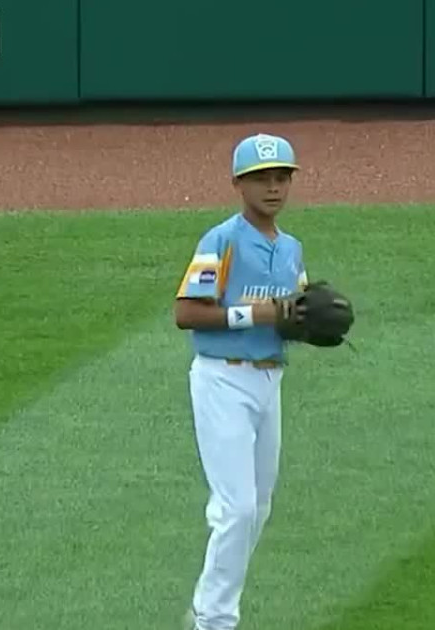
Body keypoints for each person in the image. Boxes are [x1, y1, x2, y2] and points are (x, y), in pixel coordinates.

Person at [174, 133, 309, 630]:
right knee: (236, 507)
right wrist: (254, 314)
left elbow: (294, 312)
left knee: (259, 507)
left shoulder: (291, 248)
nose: (273, 188)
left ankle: (207, 602)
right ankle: (215, 620)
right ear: (238, 184)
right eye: (261, 179)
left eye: (281, 178)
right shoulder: (221, 241)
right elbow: (186, 313)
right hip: (222, 381)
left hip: (269, 383)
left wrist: (313, 323)